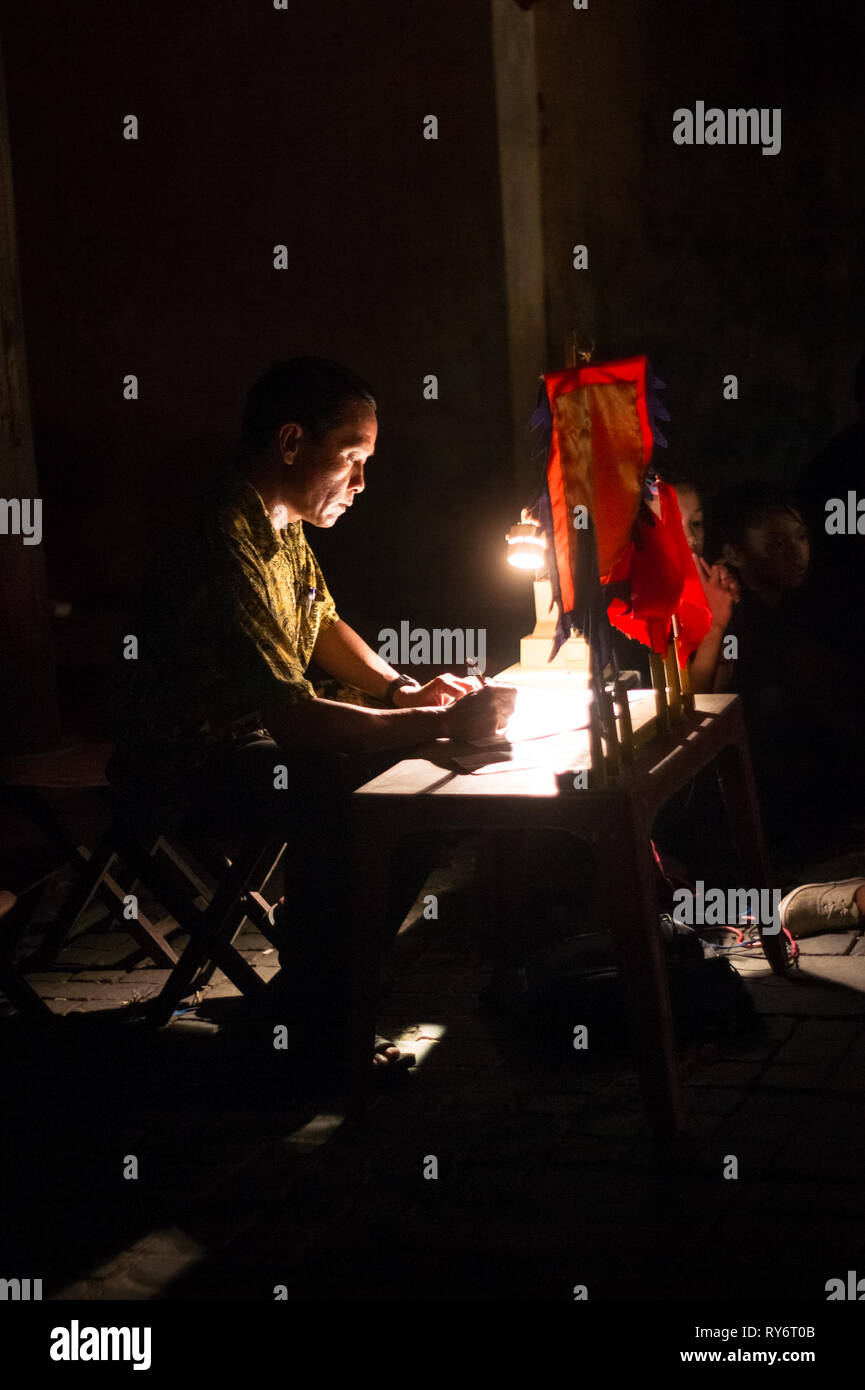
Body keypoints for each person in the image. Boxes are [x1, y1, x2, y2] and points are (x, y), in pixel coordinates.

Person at [107, 357, 516, 1076]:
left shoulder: (280, 524)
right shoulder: (220, 539)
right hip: (182, 764)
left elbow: (322, 624)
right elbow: (296, 722)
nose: (361, 484)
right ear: (291, 442)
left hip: (254, 744)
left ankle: (316, 990)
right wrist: (438, 727)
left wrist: (402, 693)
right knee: (369, 788)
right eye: (352, 459)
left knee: (412, 778)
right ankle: (320, 1015)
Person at [703, 480, 860, 857]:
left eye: (801, 537)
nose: (797, 553)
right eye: (775, 544)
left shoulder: (787, 606)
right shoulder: (737, 618)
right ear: (734, 554)